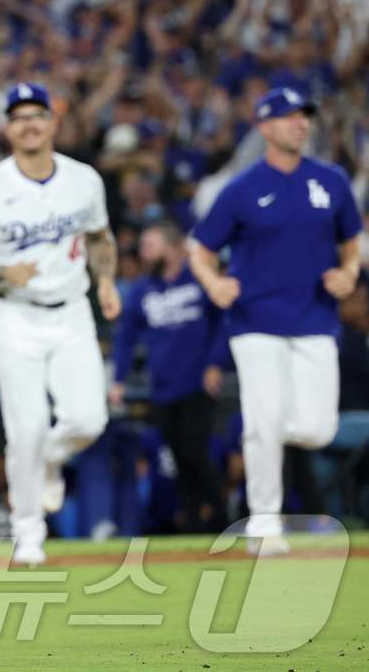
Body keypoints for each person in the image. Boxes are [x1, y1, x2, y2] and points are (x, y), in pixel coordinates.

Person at [0, 82, 120, 567]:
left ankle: (50, 459)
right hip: (13, 315)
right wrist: (2, 270)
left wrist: (105, 281)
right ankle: (28, 533)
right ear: (8, 128)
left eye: (38, 114)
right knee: (24, 430)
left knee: (88, 420)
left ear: (53, 123)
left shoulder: (84, 179)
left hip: (71, 311)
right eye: (19, 116)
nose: (29, 123)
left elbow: (100, 238)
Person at [189, 86, 362, 556]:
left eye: (304, 116)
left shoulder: (331, 181)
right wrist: (213, 283)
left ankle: (259, 431)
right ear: (264, 127)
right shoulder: (241, 189)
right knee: (265, 419)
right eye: (288, 117)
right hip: (255, 321)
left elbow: (353, 240)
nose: (300, 124)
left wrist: (349, 272)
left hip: (315, 319)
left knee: (318, 429)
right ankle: (264, 524)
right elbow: (200, 247)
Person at [110, 222, 230, 533]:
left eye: (150, 245)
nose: (143, 252)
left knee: (196, 452)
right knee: (178, 458)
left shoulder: (198, 279)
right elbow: (125, 337)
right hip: (163, 387)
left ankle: (220, 517)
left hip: (198, 382)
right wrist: (119, 379)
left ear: (174, 247)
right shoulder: (142, 289)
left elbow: (223, 322)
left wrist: (216, 364)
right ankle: (192, 525)